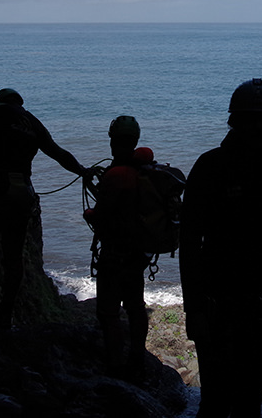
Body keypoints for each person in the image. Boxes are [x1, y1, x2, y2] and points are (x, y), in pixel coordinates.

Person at [180, 78, 262, 418]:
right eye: (252, 119)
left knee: (246, 399)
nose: (259, 127)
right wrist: (195, 310)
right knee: (220, 400)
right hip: (222, 304)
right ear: (235, 122)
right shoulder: (214, 167)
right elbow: (189, 243)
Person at [0, 88, 94, 338]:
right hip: (23, 191)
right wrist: (83, 171)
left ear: (1, 101)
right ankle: (5, 315)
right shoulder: (31, 121)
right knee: (13, 257)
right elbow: (59, 154)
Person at [82, 115, 153, 382]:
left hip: (114, 254)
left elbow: (100, 215)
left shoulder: (115, 175)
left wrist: (89, 214)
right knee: (135, 306)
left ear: (112, 140)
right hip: (138, 254)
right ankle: (137, 359)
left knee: (109, 311)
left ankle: (115, 365)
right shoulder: (142, 171)